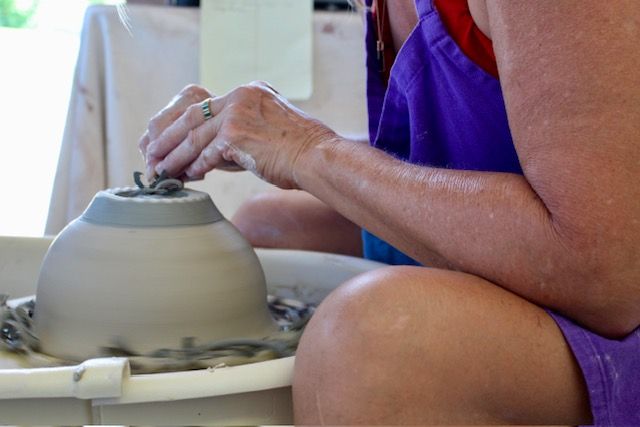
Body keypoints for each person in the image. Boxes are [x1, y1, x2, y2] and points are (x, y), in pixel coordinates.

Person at [138, 0, 639, 423]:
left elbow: (603, 268)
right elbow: (471, 150)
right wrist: (264, 138)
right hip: (538, 251)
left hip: (616, 297)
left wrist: (309, 150)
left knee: (365, 341)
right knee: (266, 232)